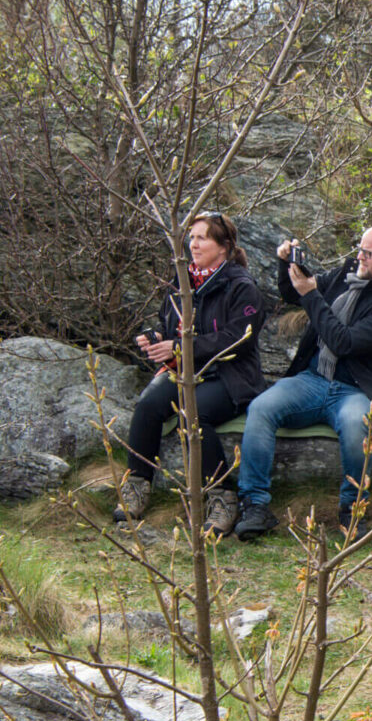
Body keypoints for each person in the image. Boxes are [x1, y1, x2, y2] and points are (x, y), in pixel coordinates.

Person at [232, 224, 372, 540]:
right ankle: (254, 506)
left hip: (356, 390)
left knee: (358, 424)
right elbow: (295, 294)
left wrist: (310, 294)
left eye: (368, 253)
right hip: (313, 379)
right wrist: (288, 265)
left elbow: (342, 341)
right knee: (261, 408)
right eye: (360, 247)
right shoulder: (350, 271)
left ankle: (352, 512)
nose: (359, 256)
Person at [114, 212, 267, 535]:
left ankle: (222, 497)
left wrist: (181, 348)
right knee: (147, 406)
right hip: (183, 372)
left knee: (191, 413)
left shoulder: (242, 286)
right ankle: (137, 485)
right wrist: (156, 338)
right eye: (191, 237)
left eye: (201, 238)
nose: (193, 244)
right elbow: (169, 326)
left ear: (223, 246)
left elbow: (238, 339)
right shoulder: (182, 281)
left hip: (231, 377)